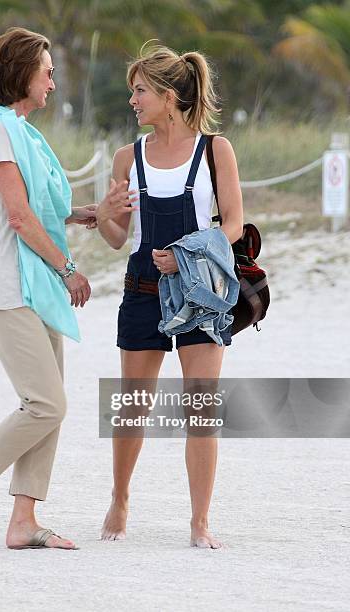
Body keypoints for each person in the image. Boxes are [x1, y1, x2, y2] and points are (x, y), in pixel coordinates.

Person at [0, 27, 128, 551]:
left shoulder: (20, 131)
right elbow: (18, 217)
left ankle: (23, 521)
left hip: (32, 283)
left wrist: (92, 213)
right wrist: (69, 270)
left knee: (48, 401)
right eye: (47, 70)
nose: (53, 79)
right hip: (7, 283)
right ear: (23, 74)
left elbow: (38, 208)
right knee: (46, 403)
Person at [96, 43, 243, 548]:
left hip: (202, 294)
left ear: (168, 96)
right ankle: (119, 498)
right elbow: (117, 239)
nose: (132, 101)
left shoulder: (215, 150)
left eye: (139, 92)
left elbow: (235, 225)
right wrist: (110, 212)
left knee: (200, 408)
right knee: (132, 406)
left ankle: (200, 521)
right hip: (141, 291)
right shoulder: (125, 157)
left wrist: (184, 255)